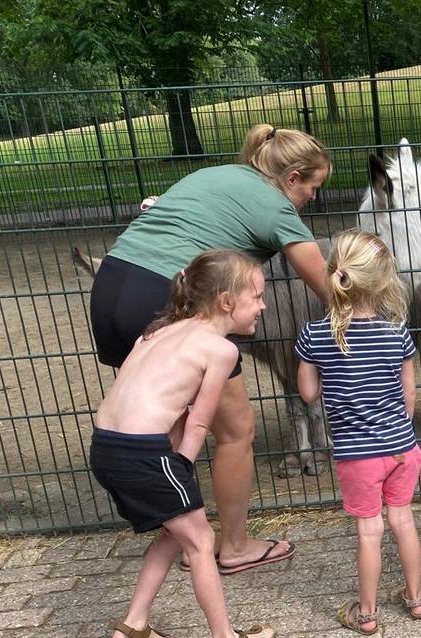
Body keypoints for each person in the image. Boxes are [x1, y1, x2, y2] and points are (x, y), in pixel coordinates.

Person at [90, 124, 332, 575]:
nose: (314, 198)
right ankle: (234, 546)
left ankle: (186, 540)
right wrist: (370, 316)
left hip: (111, 287)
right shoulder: (277, 205)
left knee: (170, 422)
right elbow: (323, 284)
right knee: (236, 431)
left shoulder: (213, 175)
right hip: (164, 297)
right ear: (294, 177)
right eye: (314, 187)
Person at [91, 249, 277, 638]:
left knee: (173, 533)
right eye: (257, 296)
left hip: (106, 446)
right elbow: (197, 424)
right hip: (143, 453)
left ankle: (132, 627)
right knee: (200, 541)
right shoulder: (219, 349)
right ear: (227, 301)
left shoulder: (154, 332)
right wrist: (182, 469)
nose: (263, 306)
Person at [295, 229, 421, 633]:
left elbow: (308, 392)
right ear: (384, 281)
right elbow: (409, 394)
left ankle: (366, 613)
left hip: (358, 455)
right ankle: (416, 598)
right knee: (403, 520)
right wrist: (397, 427)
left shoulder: (315, 335)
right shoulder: (396, 333)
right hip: (403, 448)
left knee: (370, 530)